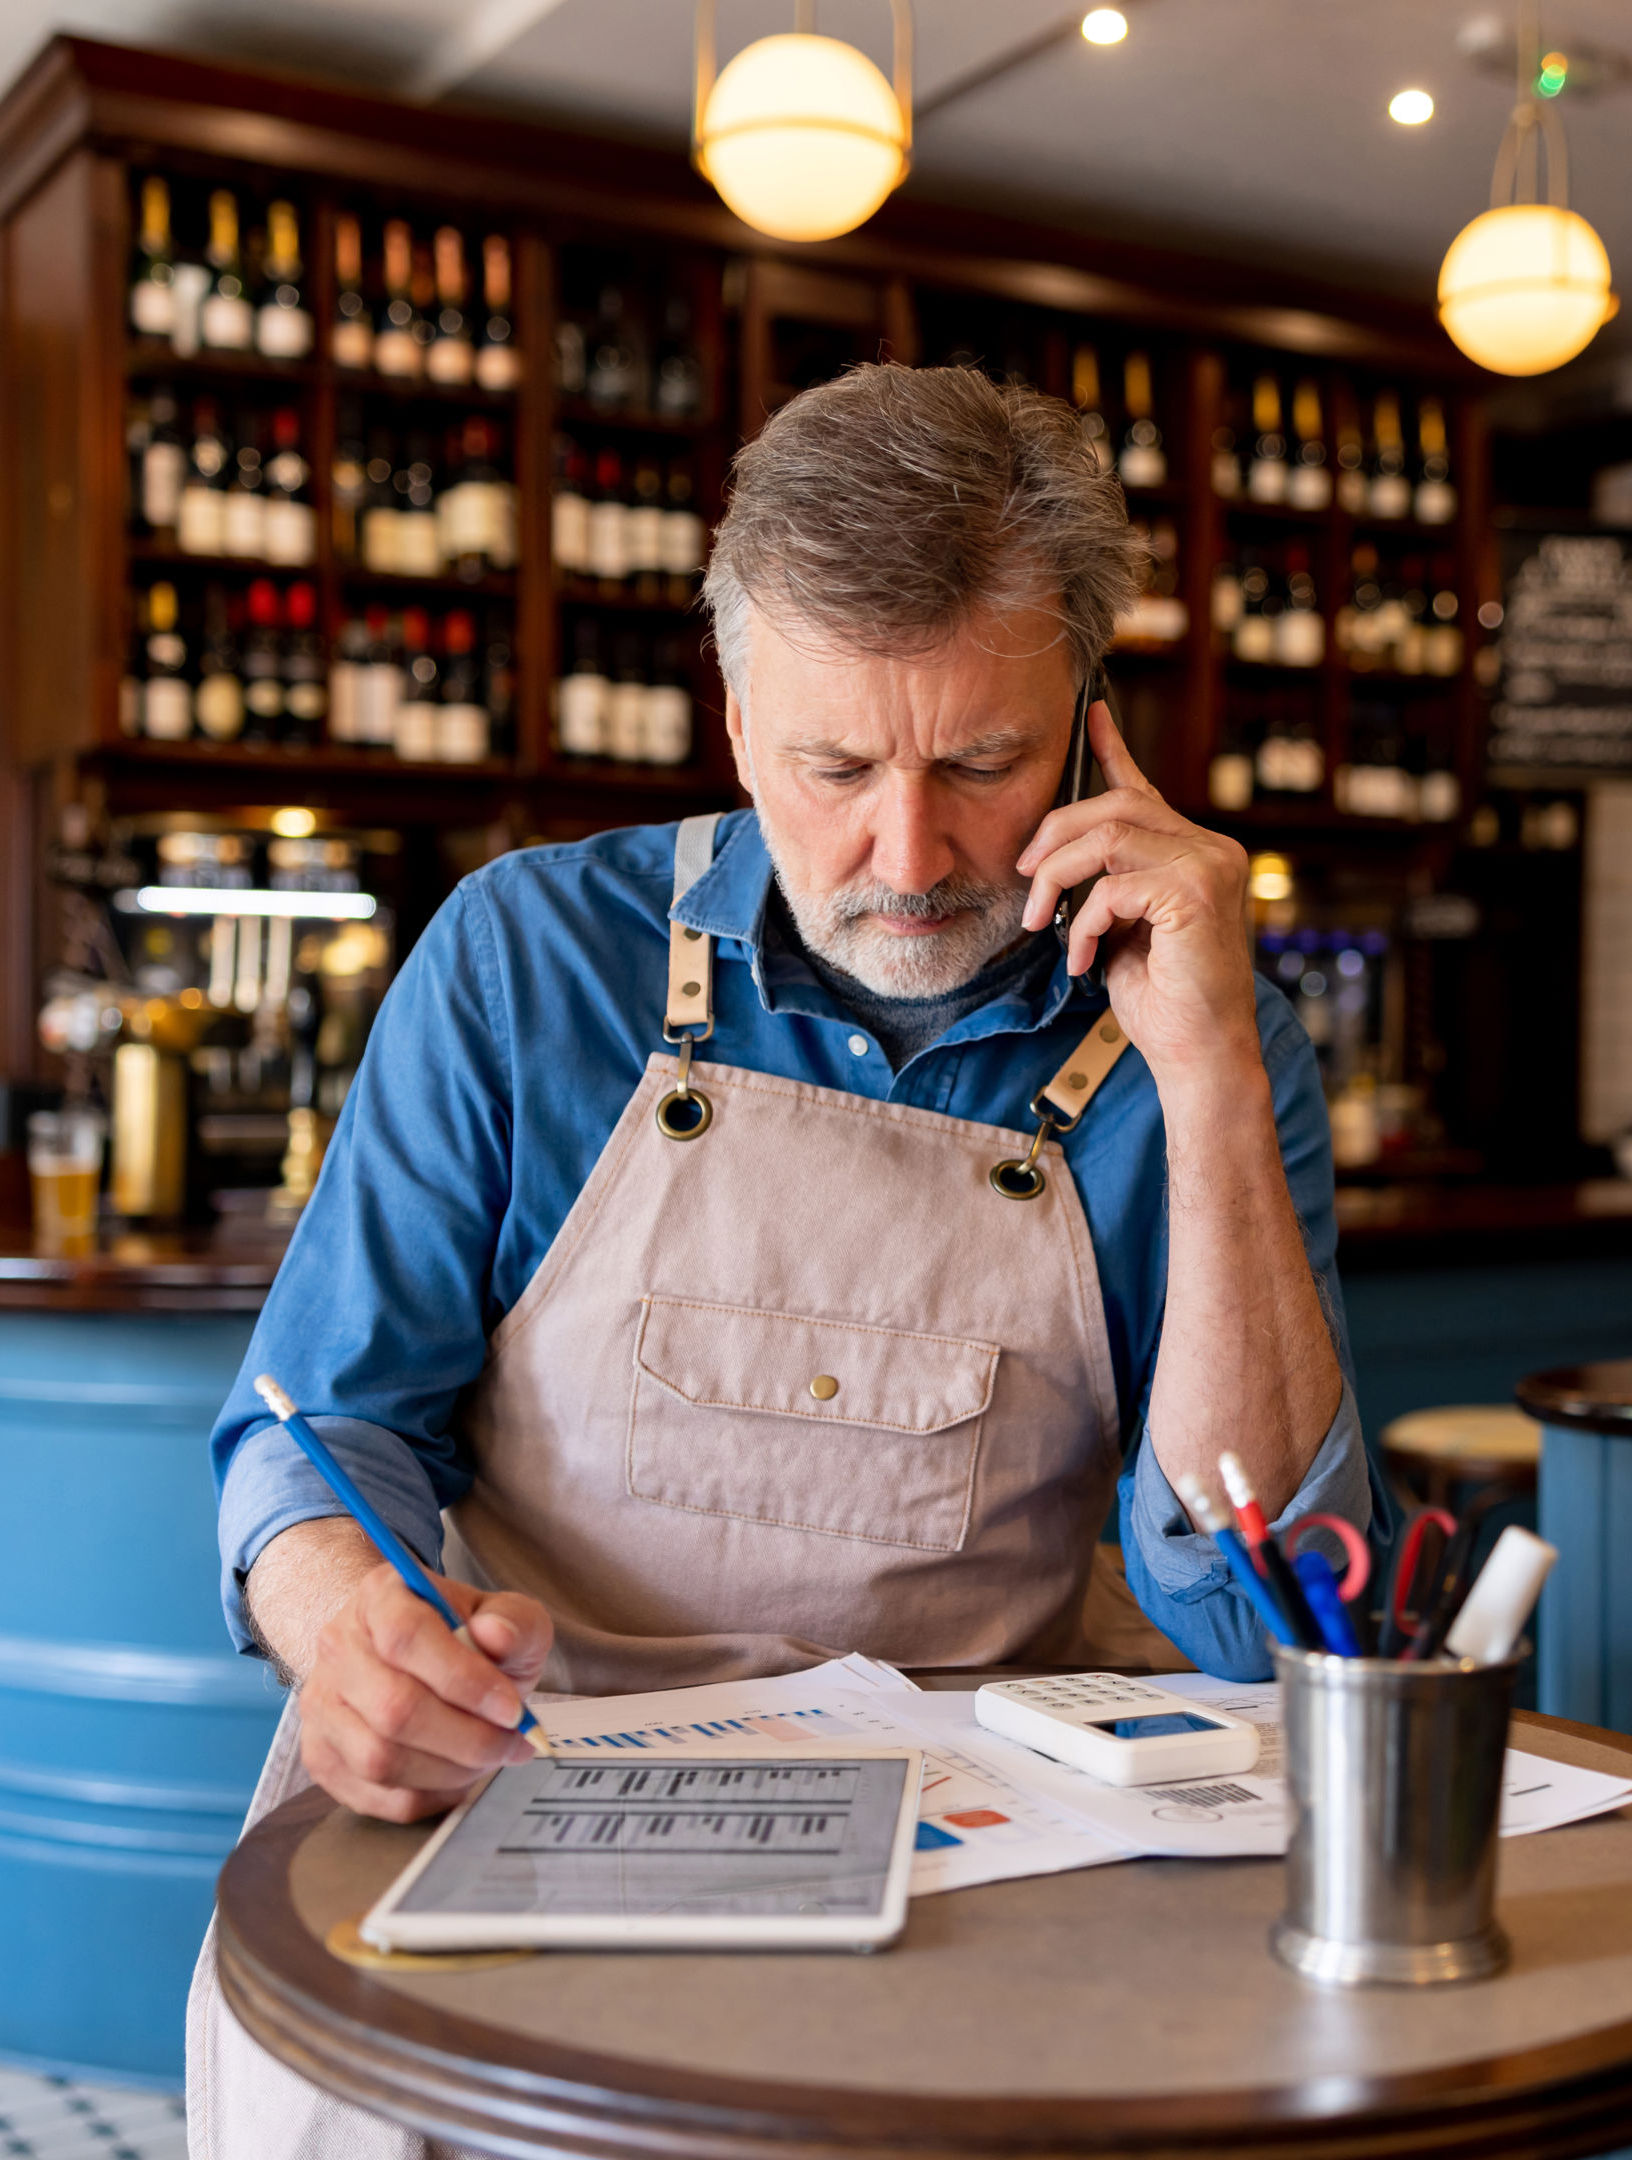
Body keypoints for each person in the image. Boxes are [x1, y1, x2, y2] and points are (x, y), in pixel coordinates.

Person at [186, 364, 1375, 2156]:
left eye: (981, 763)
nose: (909, 857)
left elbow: (1251, 1606)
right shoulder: (529, 958)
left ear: (1087, 726)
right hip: (530, 1804)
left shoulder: (1204, 1029)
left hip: (978, 1875)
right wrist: (344, 1622)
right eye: (836, 768)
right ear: (736, 721)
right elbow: (311, 1426)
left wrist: (1207, 1081)